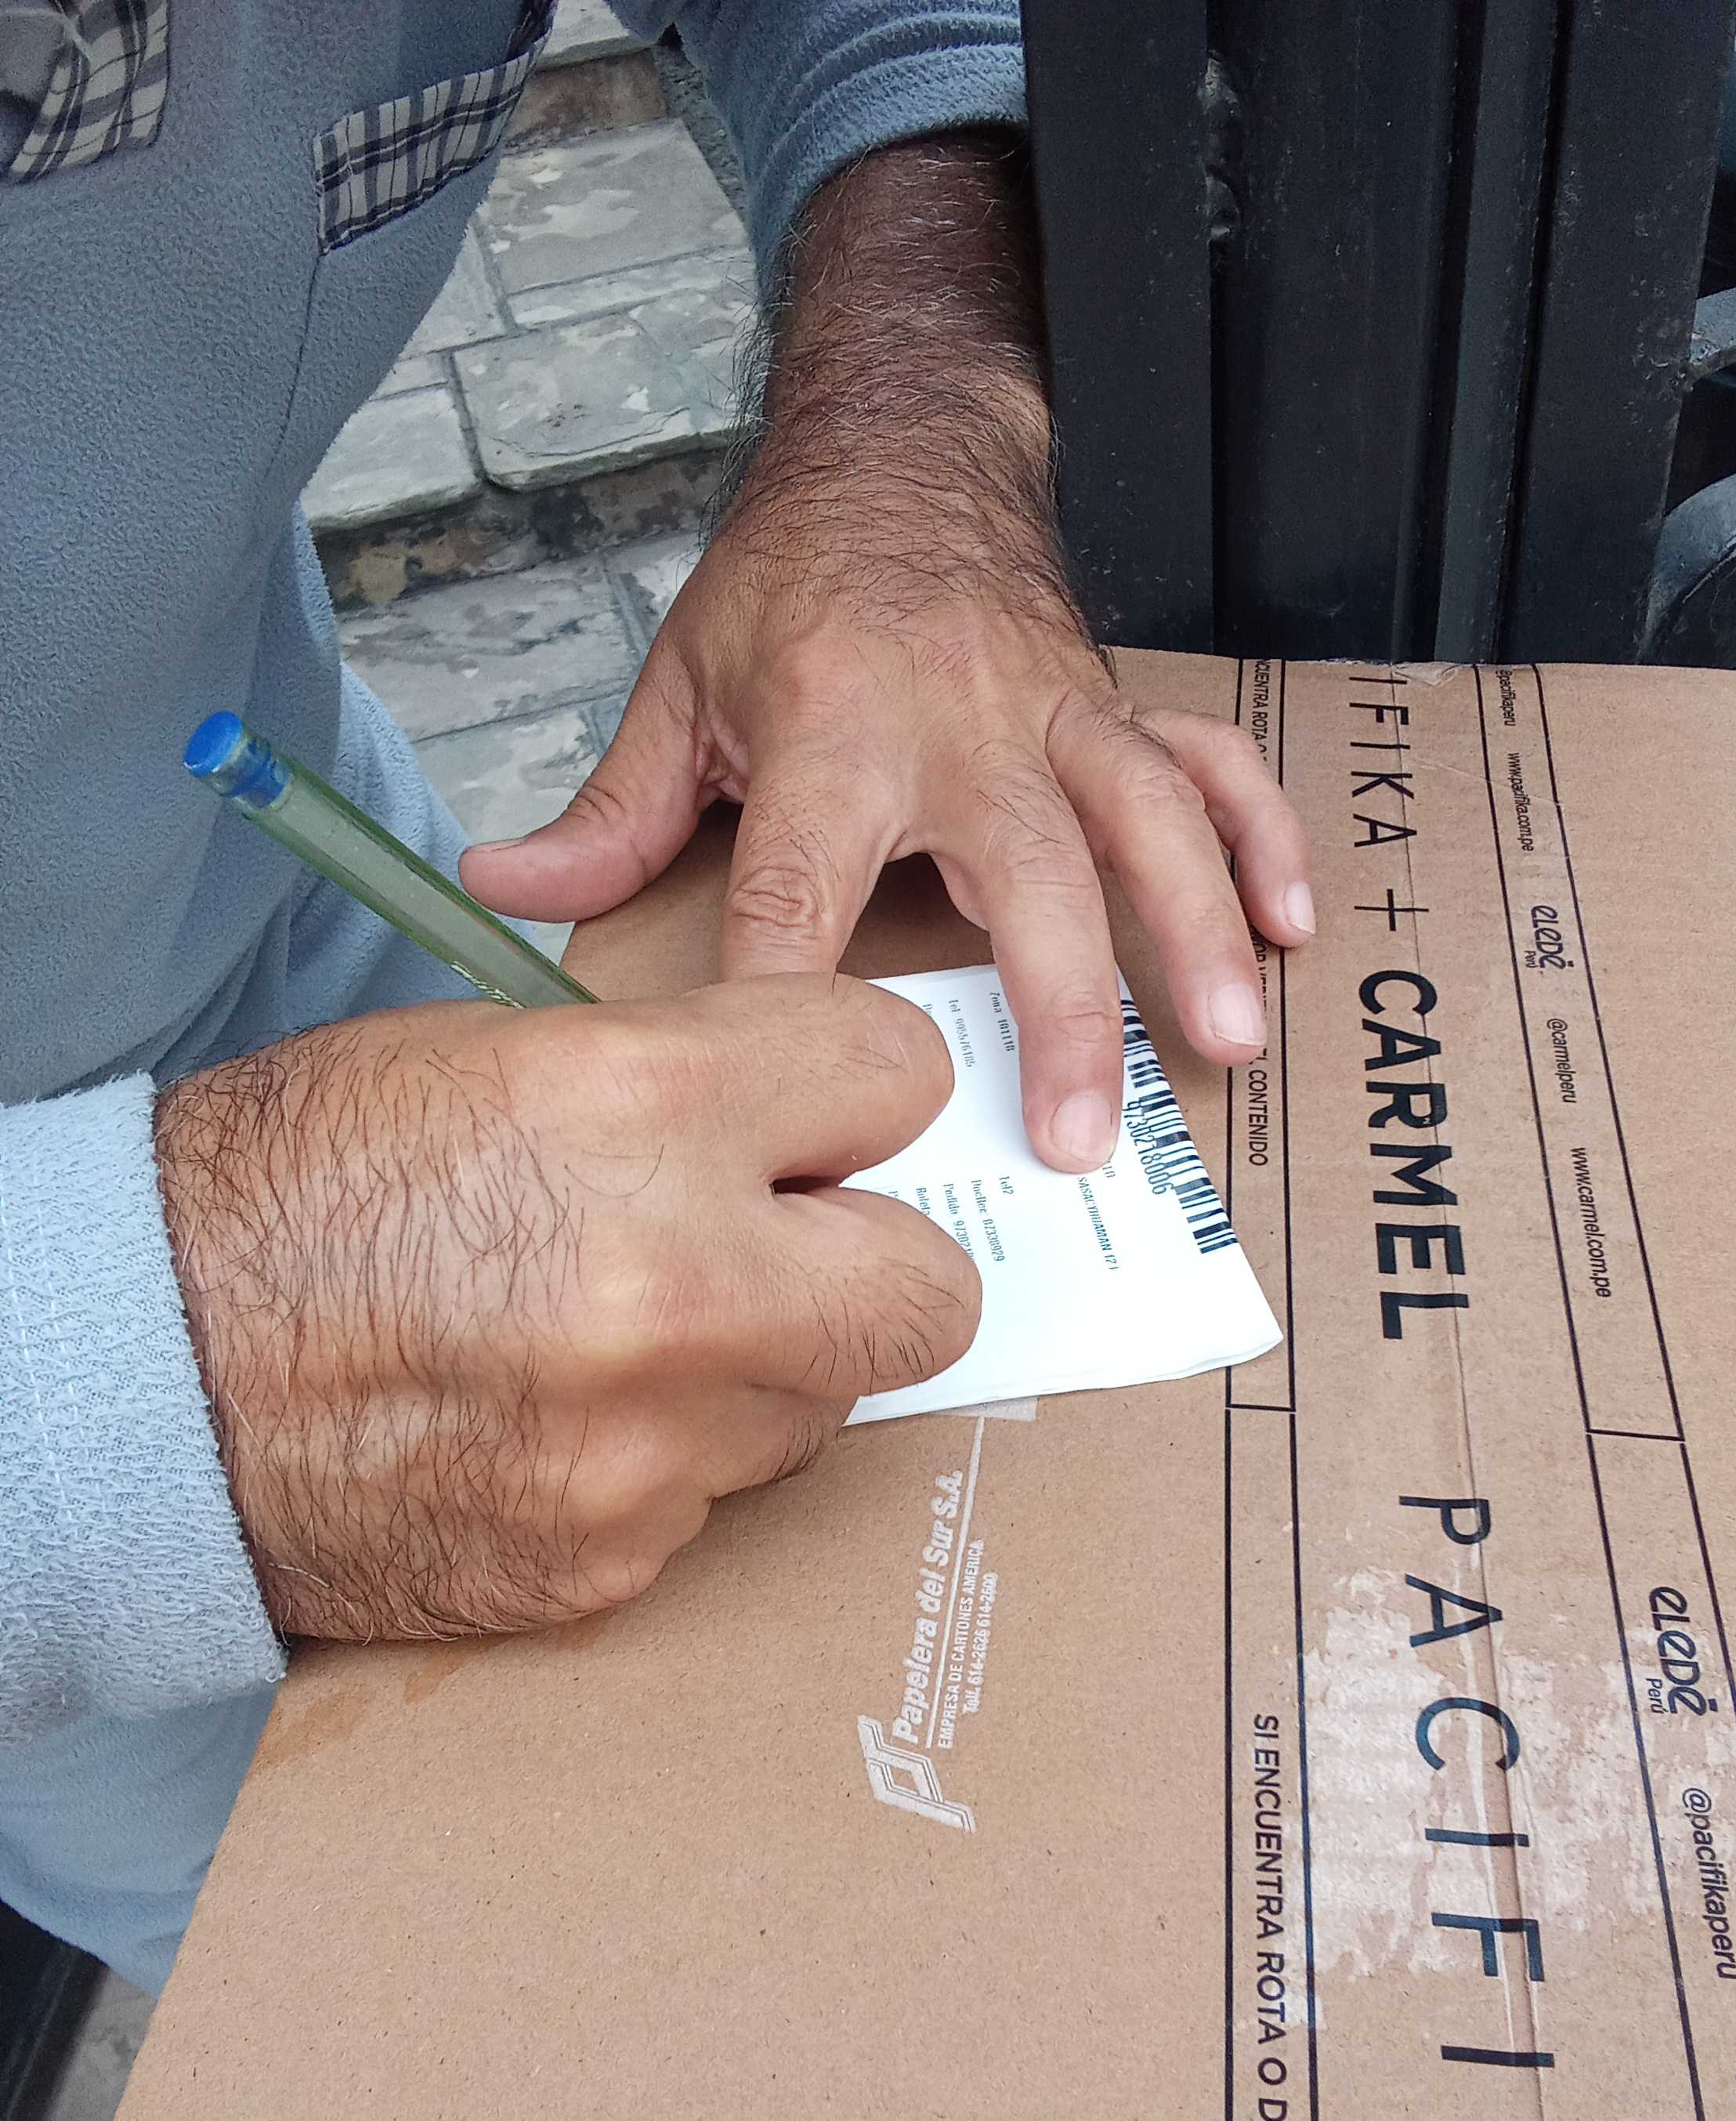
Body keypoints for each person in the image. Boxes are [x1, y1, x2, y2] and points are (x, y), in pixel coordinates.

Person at [0, 0, 1314, 1993]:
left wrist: (914, 430)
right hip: (90, 1482)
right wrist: (120, 1384)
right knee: (447, 2013)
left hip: (291, 908)